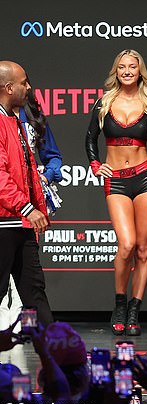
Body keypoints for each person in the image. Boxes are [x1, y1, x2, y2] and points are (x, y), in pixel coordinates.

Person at [85, 49, 147, 336]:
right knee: (127, 245)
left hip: (146, 178)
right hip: (116, 180)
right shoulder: (103, 103)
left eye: (132, 67)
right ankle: (120, 303)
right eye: (122, 67)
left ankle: (134, 310)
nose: (127, 71)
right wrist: (96, 164)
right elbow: (90, 139)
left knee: (144, 248)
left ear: (140, 71)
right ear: (116, 71)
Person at [0, 61, 53, 326]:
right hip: (3, 223)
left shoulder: (15, 121)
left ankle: (59, 357)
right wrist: (27, 208)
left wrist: (37, 208)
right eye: (24, 83)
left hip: (19, 224)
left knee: (34, 294)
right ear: (9, 88)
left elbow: (28, 171)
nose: (29, 87)